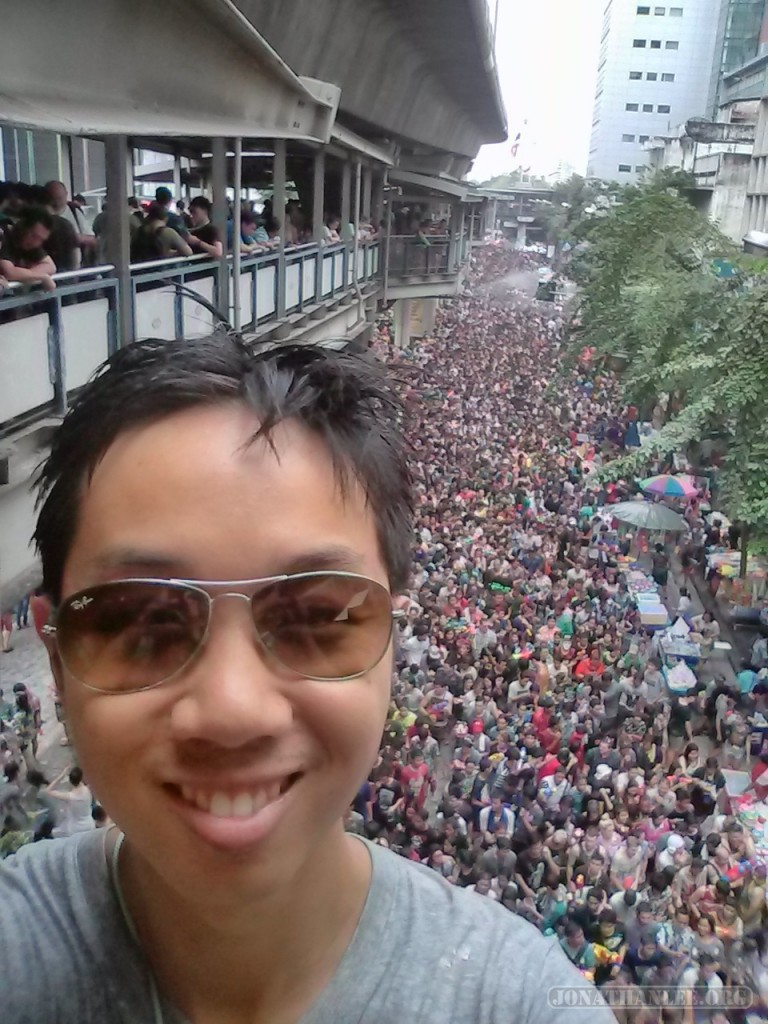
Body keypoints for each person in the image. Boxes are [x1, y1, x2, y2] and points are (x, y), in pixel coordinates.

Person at [0, 336, 611, 1022]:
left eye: (317, 617)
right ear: (55, 654)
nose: (233, 710)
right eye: (143, 622)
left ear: (391, 640)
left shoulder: (519, 1005)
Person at [0, 207, 57, 291]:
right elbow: (10, 272)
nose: (36, 243)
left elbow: (51, 266)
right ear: (22, 226)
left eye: (41, 239)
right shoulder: (3, 235)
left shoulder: (31, 244)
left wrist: (25, 275)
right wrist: (42, 276)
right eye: (33, 236)